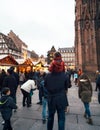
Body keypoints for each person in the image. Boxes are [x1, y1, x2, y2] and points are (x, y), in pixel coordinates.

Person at [44, 52, 69, 130]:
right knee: (61, 118)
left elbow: (46, 86)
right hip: (61, 99)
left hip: (51, 99)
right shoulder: (65, 76)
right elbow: (66, 88)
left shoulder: (47, 76)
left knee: (50, 117)